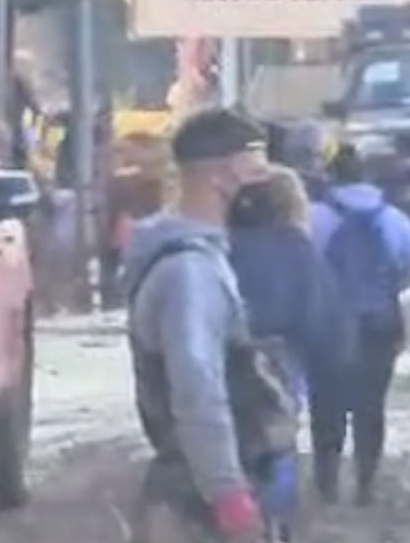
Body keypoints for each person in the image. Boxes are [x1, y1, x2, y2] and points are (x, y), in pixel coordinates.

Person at [122, 108, 288, 543]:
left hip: (200, 490)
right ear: (223, 173)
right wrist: (229, 496)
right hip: (198, 505)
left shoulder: (200, 257)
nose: (266, 174)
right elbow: (198, 389)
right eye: (256, 159)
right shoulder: (189, 273)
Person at [226, 164, 350, 535]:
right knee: (277, 445)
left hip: (226, 355)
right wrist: (332, 359)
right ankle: (275, 523)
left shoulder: (220, 243)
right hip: (279, 359)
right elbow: (319, 313)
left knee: (232, 441)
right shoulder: (296, 248)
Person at [311, 144, 410, 505]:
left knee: (326, 405)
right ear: (366, 176)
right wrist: (386, 289)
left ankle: (327, 484)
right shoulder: (391, 217)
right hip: (379, 323)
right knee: (370, 405)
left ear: (330, 176)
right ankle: (365, 482)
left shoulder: (312, 216)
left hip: (327, 326)